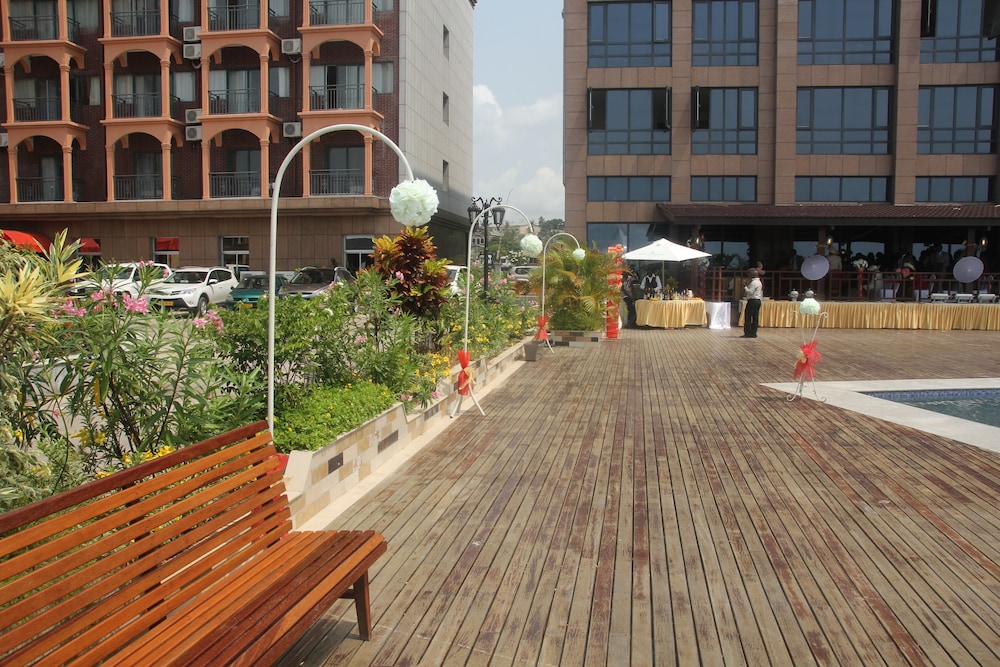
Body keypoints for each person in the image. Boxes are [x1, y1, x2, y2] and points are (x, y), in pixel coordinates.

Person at [741, 268, 763, 338]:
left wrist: (745, 286)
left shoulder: (754, 283)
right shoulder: (759, 282)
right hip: (758, 300)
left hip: (752, 301)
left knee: (748, 317)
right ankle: (753, 333)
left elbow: (750, 292)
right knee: (755, 317)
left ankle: (748, 333)